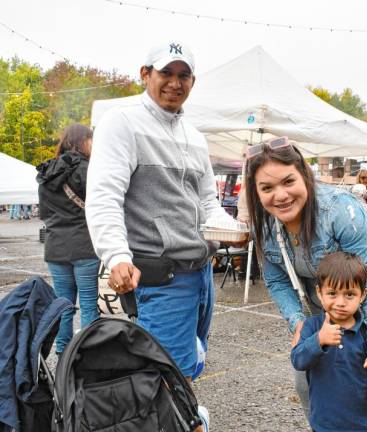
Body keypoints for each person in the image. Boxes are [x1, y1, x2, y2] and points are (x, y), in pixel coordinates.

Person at [86, 41, 241, 400]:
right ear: (145, 75)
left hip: (201, 273)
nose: (175, 82)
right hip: (163, 277)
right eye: (166, 73)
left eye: (183, 75)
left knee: (189, 365)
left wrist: (233, 229)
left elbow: (207, 202)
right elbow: (104, 195)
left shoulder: (195, 137)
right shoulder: (122, 123)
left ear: (193, 81)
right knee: (167, 378)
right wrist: (117, 255)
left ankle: (184, 418)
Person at [245, 138, 367, 430]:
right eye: (267, 188)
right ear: (256, 192)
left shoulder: (340, 210)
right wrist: (297, 324)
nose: (280, 195)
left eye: (288, 181)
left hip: (366, 284)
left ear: (304, 175)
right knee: (307, 377)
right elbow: (276, 279)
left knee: (364, 374)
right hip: (319, 289)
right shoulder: (262, 224)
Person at [291, 251, 367, 432]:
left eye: (350, 294)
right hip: (324, 424)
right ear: (319, 293)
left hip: (363, 425)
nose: (341, 302)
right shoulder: (312, 327)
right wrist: (319, 340)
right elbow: (298, 360)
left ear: (363, 295)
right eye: (332, 293)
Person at [36, 123, 99, 355]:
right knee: (89, 306)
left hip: (55, 248)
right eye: (91, 140)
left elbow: (44, 213)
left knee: (63, 306)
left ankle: (63, 354)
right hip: (84, 246)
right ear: (82, 141)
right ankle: (88, 354)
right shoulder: (87, 169)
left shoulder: (46, 172)